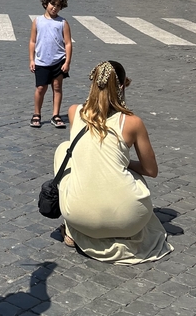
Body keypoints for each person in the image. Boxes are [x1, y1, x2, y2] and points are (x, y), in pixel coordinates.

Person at [55, 60, 173, 264]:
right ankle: (122, 229)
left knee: (63, 151)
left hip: (79, 216)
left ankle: (73, 229)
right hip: (129, 221)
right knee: (131, 172)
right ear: (121, 87)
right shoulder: (132, 122)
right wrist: (125, 164)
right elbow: (150, 170)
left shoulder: (75, 112)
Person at [28, 0, 72, 129]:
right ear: (46, 3)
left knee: (57, 88)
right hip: (41, 61)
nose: (54, 7)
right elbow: (32, 41)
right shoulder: (37, 21)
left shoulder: (63, 23)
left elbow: (68, 43)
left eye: (58, 5)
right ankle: (37, 113)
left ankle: (55, 114)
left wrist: (67, 62)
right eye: (52, 4)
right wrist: (31, 59)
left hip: (58, 61)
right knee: (40, 88)